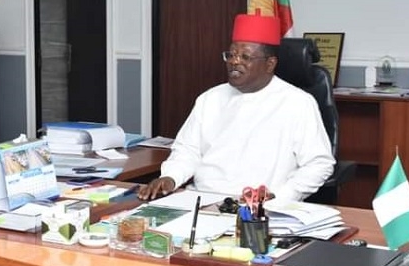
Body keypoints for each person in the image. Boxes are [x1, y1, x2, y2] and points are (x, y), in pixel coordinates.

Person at [138, 12, 335, 201]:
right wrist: (170, 178)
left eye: (245, 57)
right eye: (231, 55)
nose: (234, 62)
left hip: (261, 208)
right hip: (201, 199)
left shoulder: (297, 103)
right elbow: (187, 150)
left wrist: (282, 196)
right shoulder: (210, 98)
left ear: (270, 64)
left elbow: (319, 164)